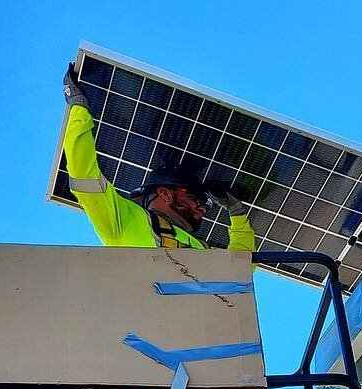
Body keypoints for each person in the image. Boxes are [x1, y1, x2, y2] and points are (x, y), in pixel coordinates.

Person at [61, 64, 255, 252]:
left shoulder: (205, 251)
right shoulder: (124, 220)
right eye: (197, 200)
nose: (203, 209)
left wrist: (236, 211)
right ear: (164, 193)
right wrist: (78, 108)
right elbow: (84, 176)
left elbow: (242, 266)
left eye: (199, 201)